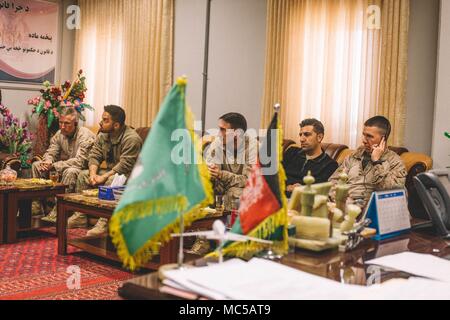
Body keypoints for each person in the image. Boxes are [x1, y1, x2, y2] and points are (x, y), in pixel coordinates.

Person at [68, 105, 143, 236]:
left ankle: (104, 222)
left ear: (116, 125)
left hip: (130, 176)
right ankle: (80, 215)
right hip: (111, 172)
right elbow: (94, 155)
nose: (101, 122)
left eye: (105, 120)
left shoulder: (132, 139)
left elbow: (125, 165)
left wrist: (103, 177)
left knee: (111, 181)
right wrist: (92, 174)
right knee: (82, 175)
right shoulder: (103, 135)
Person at [32, 107, 95, 222]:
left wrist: (55, 165)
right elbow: (51, 151)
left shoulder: (85, 135)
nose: (62, 126)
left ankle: (59, 210)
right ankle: (36, 205)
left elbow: (80, 161)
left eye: (66, 123)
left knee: (70, 171)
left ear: (75, 123)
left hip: (83, 168)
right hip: (65, 165)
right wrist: (48, 161)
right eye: (60, 122)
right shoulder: (59, 133)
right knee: (37, 164)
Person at [329, 116, 407, 209]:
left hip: (373, 210)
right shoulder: (354, 156)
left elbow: (390, 192)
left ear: (383, 139)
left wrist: (376, 162)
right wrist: (337, 200)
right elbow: (333, 181)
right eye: (364, 135)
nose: (364, 140)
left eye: (369, 136)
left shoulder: (395, 161)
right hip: (345, 207)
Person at [282, 118, 338, 197]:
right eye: (300, 135)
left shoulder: (330, 165)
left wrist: (302, 190)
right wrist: (287, 187)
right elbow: (274, 177)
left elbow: (320, 193)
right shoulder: (292, 152)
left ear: (319, 137)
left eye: (307, 134)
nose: (301, 139)